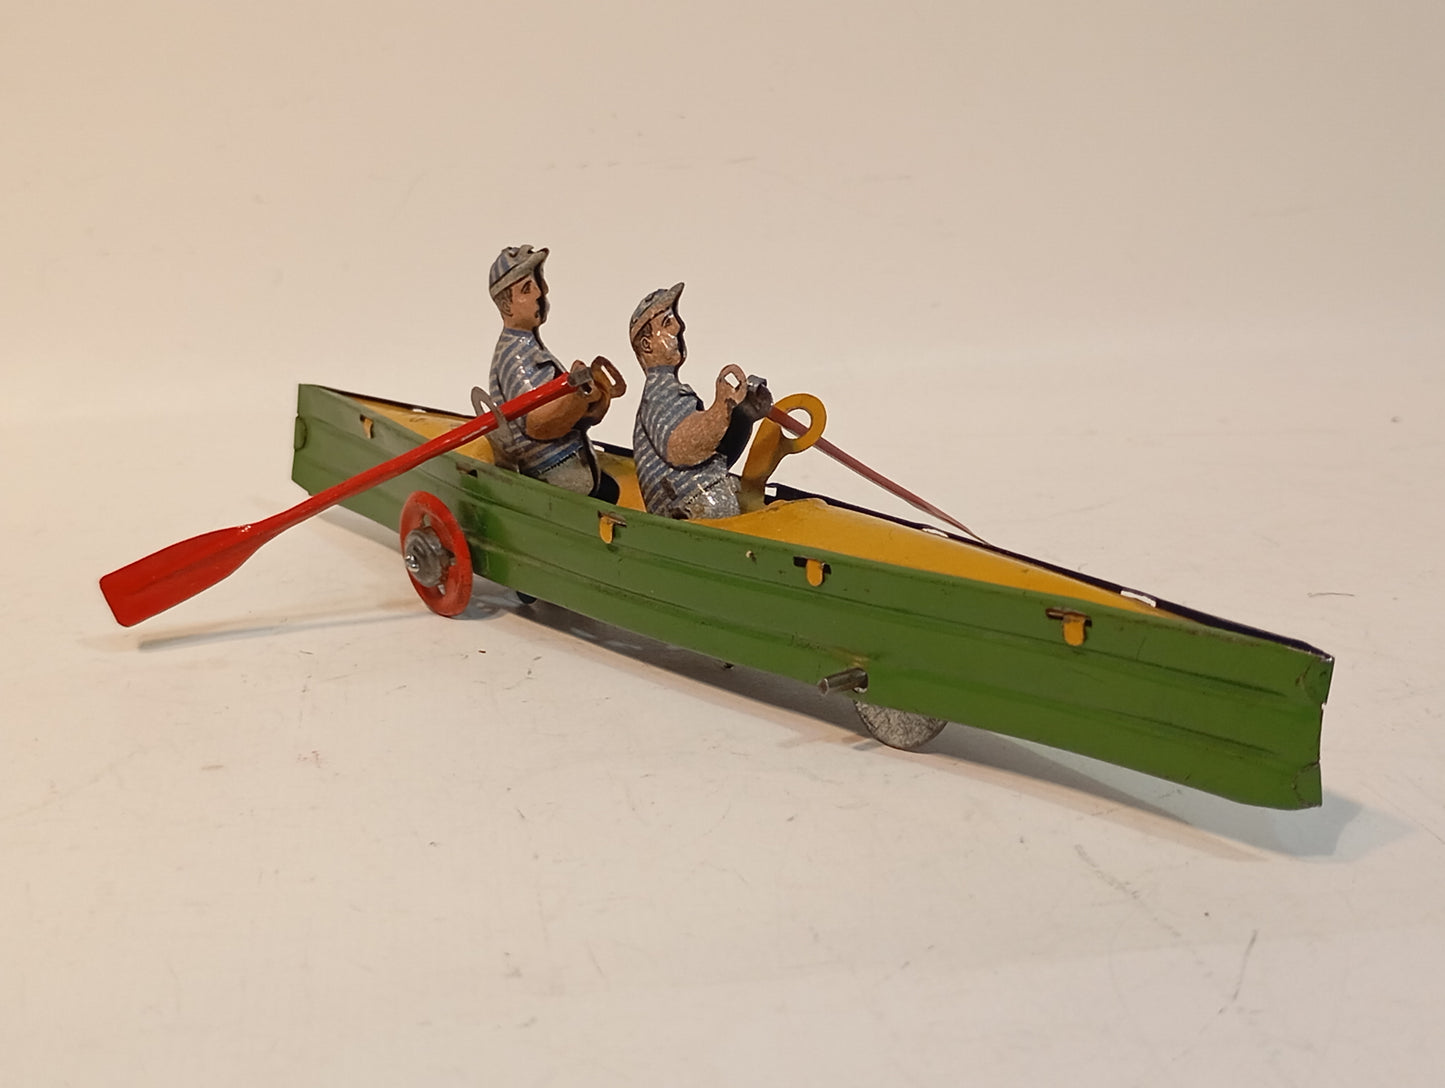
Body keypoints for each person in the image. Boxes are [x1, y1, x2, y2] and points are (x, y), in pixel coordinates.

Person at [628, 283, 772, 519]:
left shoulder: (672, 391)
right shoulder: (658, 395)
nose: (679, 327)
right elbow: (682, 449)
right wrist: (721, 409)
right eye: (667, 323)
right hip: (683, 505)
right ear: (647, 345)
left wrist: (743, 413)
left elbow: (712, 454)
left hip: (701, 495)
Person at [487, 245, 613, 495]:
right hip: (552, 480)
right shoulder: (515, 357)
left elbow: (570, 416)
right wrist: (578, 395)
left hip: (578, 474)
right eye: (526, 289)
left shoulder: (529, 348)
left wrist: (595, 398)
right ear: (506, 307)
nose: (541, 292)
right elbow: (539, 424)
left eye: (538, 283)